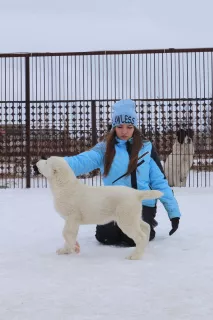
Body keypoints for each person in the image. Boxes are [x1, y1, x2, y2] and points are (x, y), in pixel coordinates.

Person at [63, 99, 181, 247]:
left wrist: (173, 213)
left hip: (142, 203)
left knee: (132, 239)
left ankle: (148, 222)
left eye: (129, 127)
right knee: (107, 238)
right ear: (114, 127)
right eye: (120, 126)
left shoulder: (146, 148)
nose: (124, 131)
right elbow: (81, 161)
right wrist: (56, 164)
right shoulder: (104, 149)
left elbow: (160, 182)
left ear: (135, 127)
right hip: (112, 203)